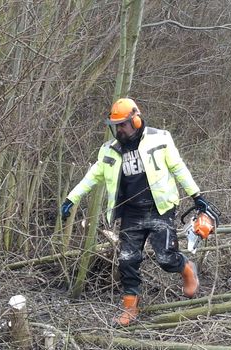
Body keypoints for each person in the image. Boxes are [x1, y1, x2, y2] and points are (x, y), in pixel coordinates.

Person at [60, 97, 214, 327]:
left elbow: (179, 168)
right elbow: (91, 177)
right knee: (127, 260)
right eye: (116, 125)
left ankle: (186, 268)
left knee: (165, 257)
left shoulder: (159, 140)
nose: (119, 129)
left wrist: (197, 196)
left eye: (123, 124)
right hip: (130, 213)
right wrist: (72, 198)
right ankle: (130, 307)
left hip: (159, 208)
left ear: (137, 120)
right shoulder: (109, 151)